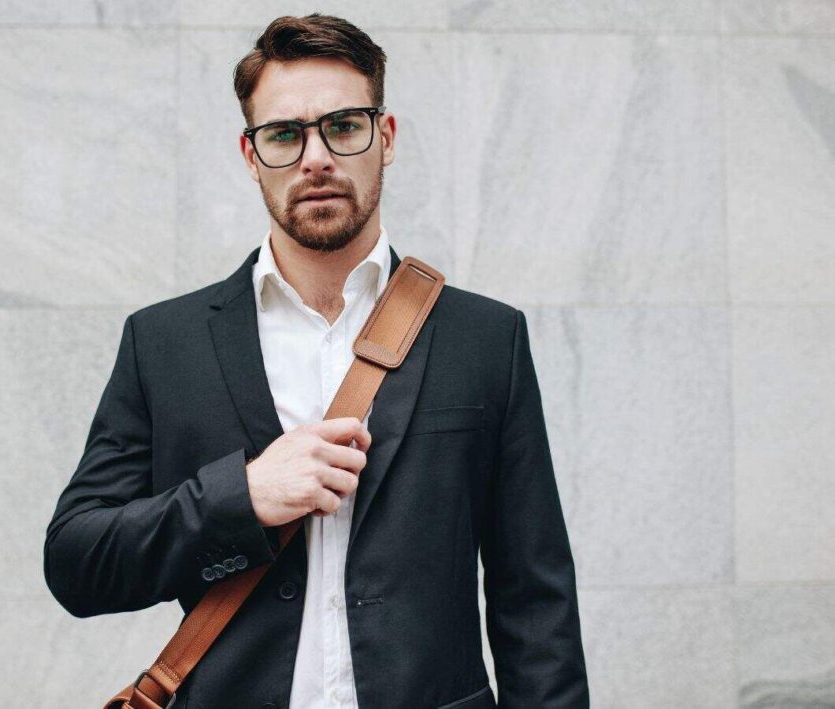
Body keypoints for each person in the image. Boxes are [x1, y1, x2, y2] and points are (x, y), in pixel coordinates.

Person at [44, 13, 589, 709]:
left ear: (385, 138)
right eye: (284, 134)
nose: (316, 158)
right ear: (250, 155)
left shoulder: (484, 337)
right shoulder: (164, 342)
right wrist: (242, 498)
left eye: (343, 126)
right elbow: (77, 562)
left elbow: (535, 600)